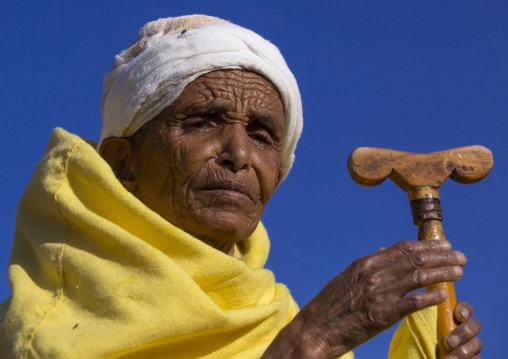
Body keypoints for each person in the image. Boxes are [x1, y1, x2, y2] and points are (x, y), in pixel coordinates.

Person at [0, 15, 482, 358]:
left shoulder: (275, 313)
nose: (239, 154)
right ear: (123, 162)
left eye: (262, 135)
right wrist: (308, 343)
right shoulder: (49, 325)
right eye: (204, 122)